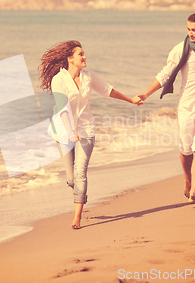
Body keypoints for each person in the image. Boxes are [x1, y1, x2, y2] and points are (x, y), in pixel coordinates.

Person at [39, 40, 143, 229]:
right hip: (63, 132)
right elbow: (62, 109)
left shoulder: (88, 76)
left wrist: (130, 100)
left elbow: (107, 90)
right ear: (70, 58)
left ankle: (77, 217)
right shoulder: (58, 80)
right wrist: (70, 132)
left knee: (80, 173)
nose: (85, 57)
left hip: (86, 130)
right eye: (81, 54)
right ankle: (78, 193)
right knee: (71, 179)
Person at [137, 13, 195, 203]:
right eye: (188, 29)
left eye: (194, 30)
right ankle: (187, 179)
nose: (190, 33)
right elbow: (164, 74)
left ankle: (194, 191)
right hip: (186, 106)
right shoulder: (180, 50)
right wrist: (146, 94)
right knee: (186, 149)